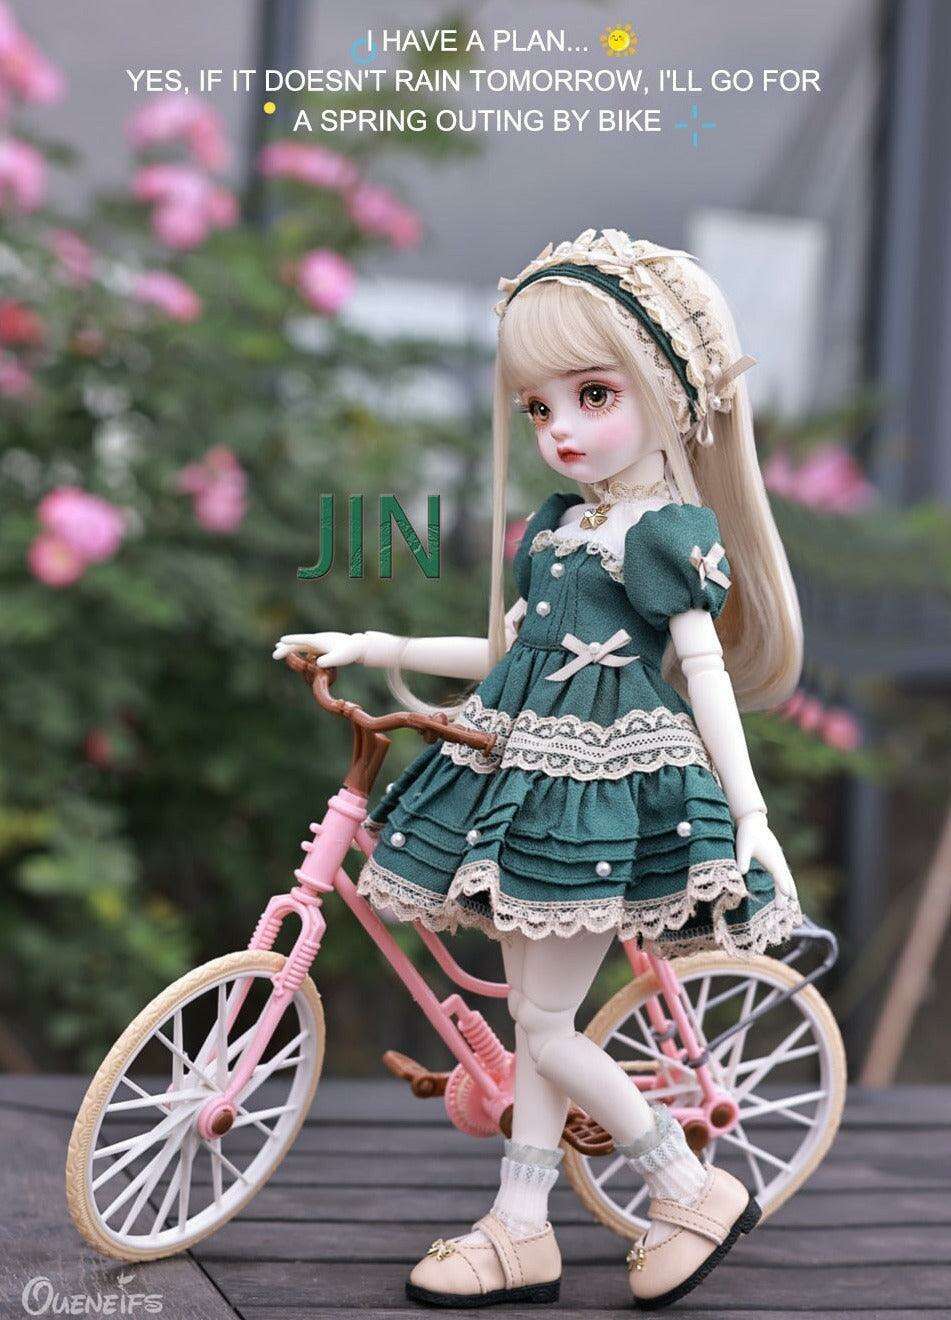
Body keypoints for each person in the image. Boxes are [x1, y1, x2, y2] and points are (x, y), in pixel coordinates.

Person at [275, 229, 805, 1308]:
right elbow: (507, 654)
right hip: (528, 777)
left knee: (548, 1025)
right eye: (537, 406)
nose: (559, 428)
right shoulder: (561, 529)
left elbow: (703, 670)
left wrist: (751, 816)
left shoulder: (665, 535)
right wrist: (374, 645)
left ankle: (686, 1186)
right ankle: (521, 1224)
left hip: (604, 788)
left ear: (671, 393)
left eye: (592, 395)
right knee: (534, 1020)